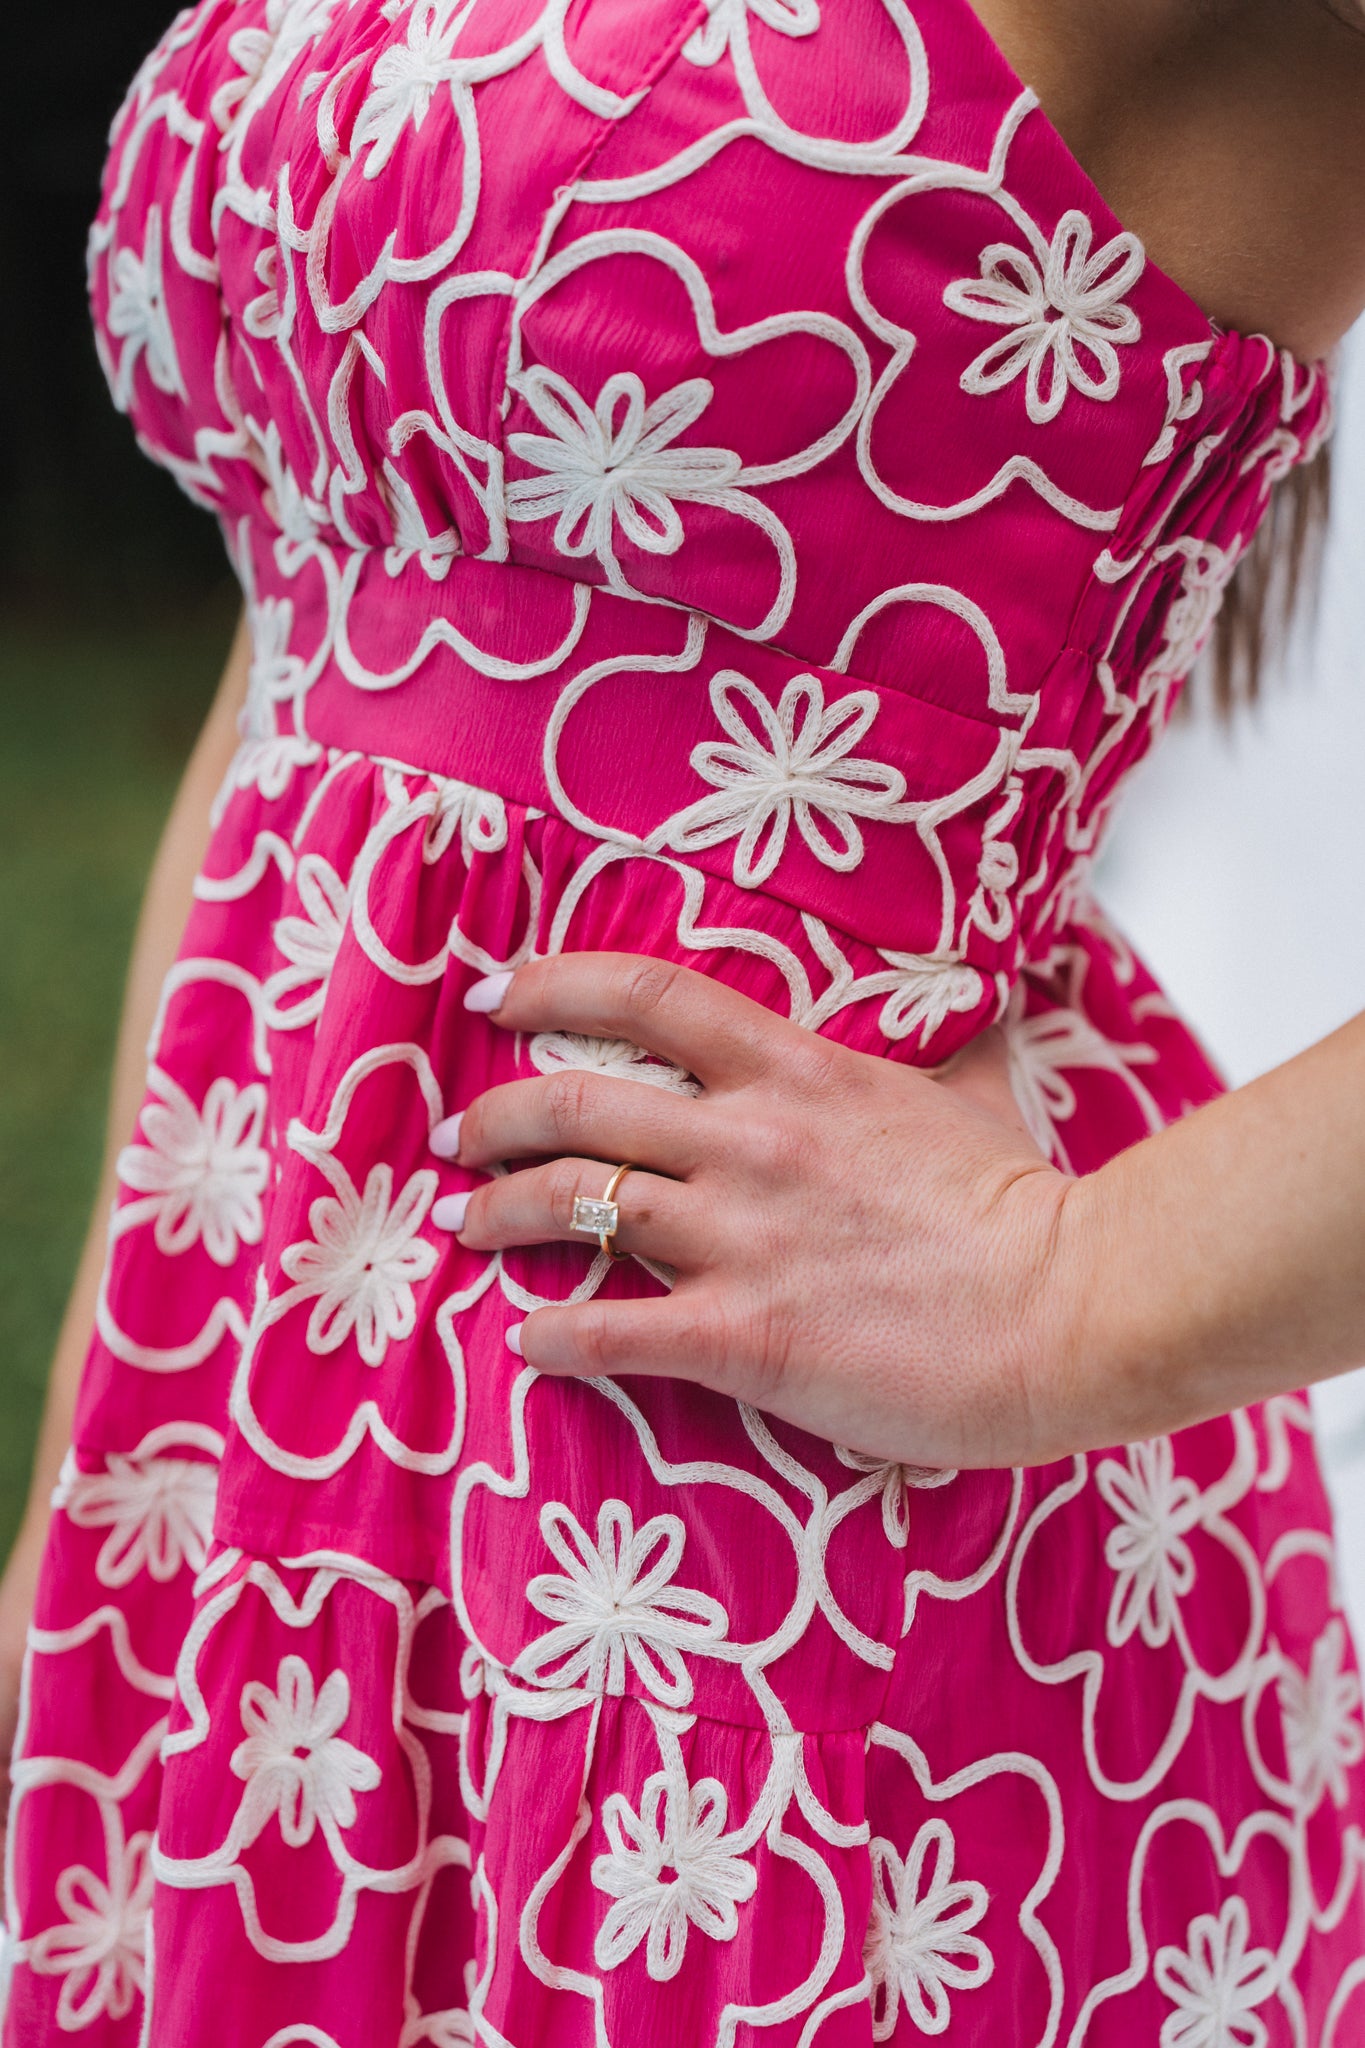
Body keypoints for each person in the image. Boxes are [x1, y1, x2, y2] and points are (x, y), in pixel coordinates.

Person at [3, 0, 1365, 2038]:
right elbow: (320, 628)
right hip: (250, 1499)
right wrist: (91, 1491)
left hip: (742, 1588)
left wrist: (1073, 1289)